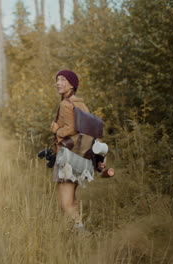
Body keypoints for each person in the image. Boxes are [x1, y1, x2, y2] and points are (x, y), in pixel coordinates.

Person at [50, 70, 106, 230]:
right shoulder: (81, 104)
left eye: (63, 80)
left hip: (68, 157)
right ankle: (75, 233)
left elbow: (71, 129)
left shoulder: (65, 104)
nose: (58, 83)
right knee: (71, 201)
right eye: (57, 80)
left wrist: (56, 130)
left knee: (65, 204)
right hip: (82, 158)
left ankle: (82, 235)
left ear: (72, 84)